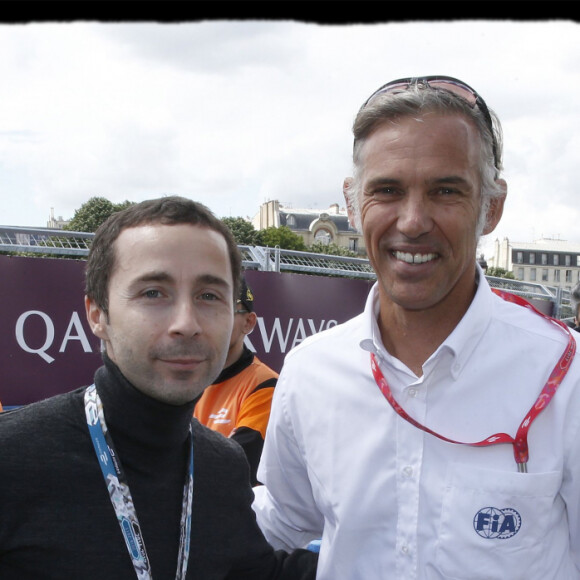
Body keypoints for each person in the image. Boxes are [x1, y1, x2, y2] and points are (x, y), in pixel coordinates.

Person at [252, 76, 580, 579]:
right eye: (387, 190)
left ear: (492, 206)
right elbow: (282, 519)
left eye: (446, 191)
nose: (412, 221)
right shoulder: (310, 372)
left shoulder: (567, 377)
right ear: (352, 202)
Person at [0, 196, 317, 579]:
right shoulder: (13, 458)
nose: (187, 322)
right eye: (153, 292)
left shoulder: (222, 466)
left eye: (209, 296)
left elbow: (252, 572)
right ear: (98, 315)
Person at [194, 276, 278, 486]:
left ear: (248, 322)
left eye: (227, 310)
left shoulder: (265, 384)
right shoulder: (180, 377)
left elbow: (231, 468)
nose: (211, 320)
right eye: (205, 307)